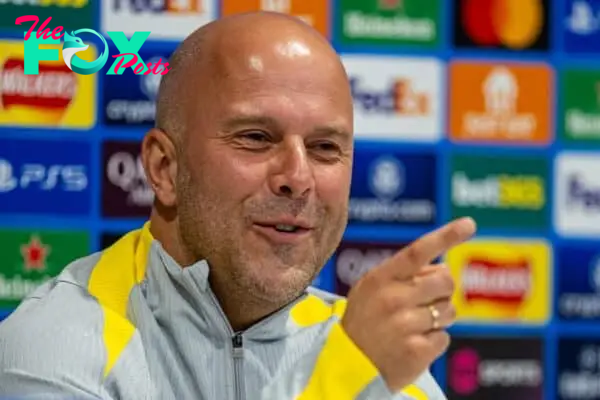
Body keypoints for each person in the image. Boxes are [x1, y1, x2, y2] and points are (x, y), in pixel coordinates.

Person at [0, 11, 477, 400]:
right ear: (164, 168)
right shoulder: (55, 348)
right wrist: (341, 381)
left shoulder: (390, 375)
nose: (298, 177)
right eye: (255, 137)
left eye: (325, 147)